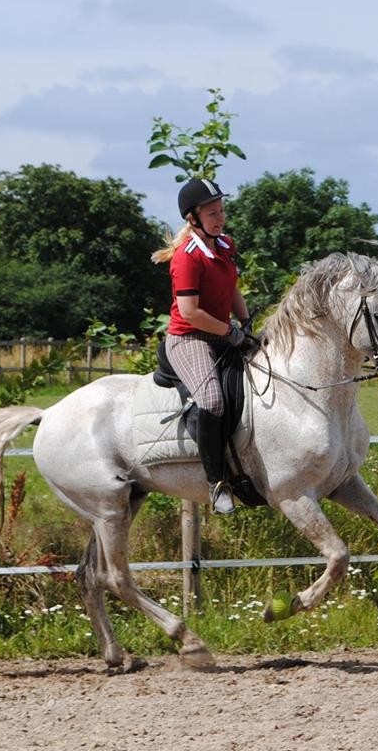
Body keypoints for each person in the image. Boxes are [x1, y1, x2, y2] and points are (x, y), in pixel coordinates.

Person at [151, 178, 250, 514]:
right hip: (188, 338)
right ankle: (216, 481)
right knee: (211, 400)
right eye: (212, 213)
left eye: (221, 210)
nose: (220, 218)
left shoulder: (224, 245)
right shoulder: (187, 258)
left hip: (222, 332)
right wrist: (228, 331)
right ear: (193, 218)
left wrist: (246, 322)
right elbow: (191, 313)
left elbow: (233, 288)